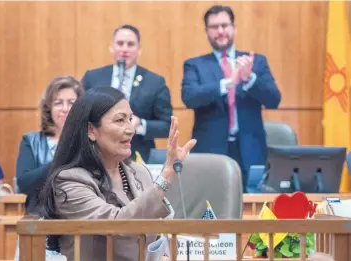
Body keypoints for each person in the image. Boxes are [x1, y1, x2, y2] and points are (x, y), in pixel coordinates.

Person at [39, 87, 196, 261]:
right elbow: (117, 224)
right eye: (120, 120)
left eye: (130, 119)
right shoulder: (69, 181)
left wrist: (166, 254)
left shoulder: (139, 172)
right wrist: (166, 175)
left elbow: (158, 232)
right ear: (91, 130)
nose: (131, 130)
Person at [181, 5, 281, 192]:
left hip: (251, 149)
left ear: (234, 28)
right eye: (214, 27)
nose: (220, 31)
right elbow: (189, 97)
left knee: (252, 209)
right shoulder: (195, 65)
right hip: (210, 150)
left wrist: (250, 78)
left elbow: (274, 100)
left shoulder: (256, 62)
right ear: (206, 32)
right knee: (211, 207)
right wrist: (227, 83)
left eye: (225, 25)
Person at [82, 24, 172, 163]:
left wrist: (140, 124)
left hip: (137, 158)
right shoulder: (93, 77)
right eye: (120, 43)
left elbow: (167, 126)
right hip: (96, 155)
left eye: (130, 44)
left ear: (139, 49)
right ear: (111, 47)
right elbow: (81, 116)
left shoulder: (155, 82)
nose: (125, 49)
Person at [16, 76, 84, 214]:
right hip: (41, 222)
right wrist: (59, 160)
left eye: (71, 103)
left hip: (81, 221)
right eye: (58, 103)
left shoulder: (90, 140)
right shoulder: (31, 141)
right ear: (49, 108)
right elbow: (24, 184)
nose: (65, 109)